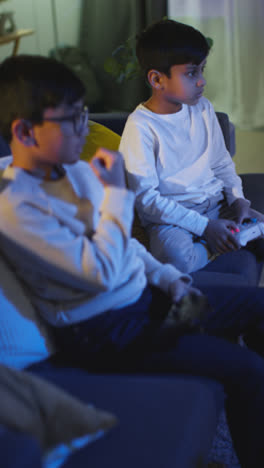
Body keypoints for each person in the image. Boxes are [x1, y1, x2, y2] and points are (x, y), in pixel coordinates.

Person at [1, 54, 264, 467]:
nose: (83, 128)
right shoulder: (16, 208)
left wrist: (167, 278)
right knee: (248, 371)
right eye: (71, 119)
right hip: (105, 330)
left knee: (257, 305)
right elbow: (100, 273)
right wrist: (118, 195)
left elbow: (125, 247)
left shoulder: (77, 172)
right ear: (24, 131)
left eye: (83, 113)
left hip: (143, 300)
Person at [119, 18, 264, 273]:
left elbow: (221, 163)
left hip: (218, 206)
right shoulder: (140, 127)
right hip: (173, 218)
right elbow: (147, 199)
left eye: (202, 70)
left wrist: (237, 198)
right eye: (191, 73)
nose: (202, 81)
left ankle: (230, 237)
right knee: (174, 258)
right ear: (157, 79)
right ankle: (229, 242)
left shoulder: (203, 108)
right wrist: (204, 228)